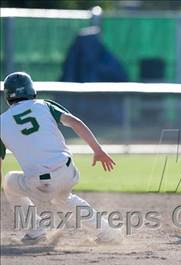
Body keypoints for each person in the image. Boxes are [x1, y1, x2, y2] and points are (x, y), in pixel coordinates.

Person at [0, 72, 122, 244]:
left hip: (40, 183)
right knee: (64, 198)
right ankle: (108, 233)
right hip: (67, 171)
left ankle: (35, 232)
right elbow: (75, 123)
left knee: (9, 182)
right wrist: (98, 150)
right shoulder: (44, 105)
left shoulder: (1, 122)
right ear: (31, 91)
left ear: (7, 96)